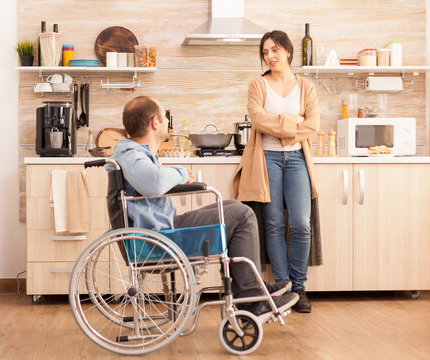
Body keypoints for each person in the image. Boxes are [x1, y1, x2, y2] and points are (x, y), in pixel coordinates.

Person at [109, 95, 298, 321]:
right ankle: (251, 297)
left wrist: (174, 176)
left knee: (231, 206)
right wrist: (179, 171)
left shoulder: (135, 153)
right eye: (165, 117)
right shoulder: (131, 153)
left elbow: (152, 182)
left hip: (160, 231)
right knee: (242, 215)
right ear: (154, 122)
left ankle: (251, 289)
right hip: (157, 239)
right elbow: (154, 183)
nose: (168, 122)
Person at [233, 30, 321, 313]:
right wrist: (293, 123)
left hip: (296, 159)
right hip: (266, 159)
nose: (270, 56)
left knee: (300, 223)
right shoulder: (258, 85)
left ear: (288, 52)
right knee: (272, 224)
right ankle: (282, 287)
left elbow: (313, 126)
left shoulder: (305, 86)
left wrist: (279, 126)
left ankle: (299, 286)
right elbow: (257, 120)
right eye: (265, 52)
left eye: (275, 50)